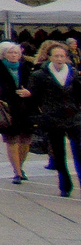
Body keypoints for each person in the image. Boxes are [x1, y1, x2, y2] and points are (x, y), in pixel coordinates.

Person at [29, 40, 81, 197]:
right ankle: (64, 183)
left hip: (73, 117)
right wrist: (39, 116)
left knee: (79, 150)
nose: (59, 59)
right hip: (53, 118)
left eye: (62, 56)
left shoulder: (73, 73)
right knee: (58, 153)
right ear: (49, 57)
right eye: (56, 56)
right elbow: (34, 97)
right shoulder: (39, 75)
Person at [0, 41, 35, 184]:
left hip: (25, 108)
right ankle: (17, 172)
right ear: (3, 54)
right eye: (10, 52)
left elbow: (33, 85)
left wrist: (29, 92)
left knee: (25, 140)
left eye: (16, 53)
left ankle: (20, 166)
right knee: (12, 140)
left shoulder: (26, 68)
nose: (13, 55)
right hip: (8, 108)